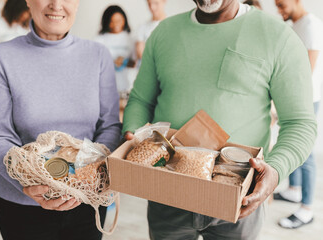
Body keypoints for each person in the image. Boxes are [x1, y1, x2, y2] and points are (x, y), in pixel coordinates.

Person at [122, 0, 317, 239]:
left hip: (238, 198)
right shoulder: (164, 32)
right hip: (168, 192)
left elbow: (300, 123)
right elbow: (141, 100)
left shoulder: (278, 37)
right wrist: (133, 136)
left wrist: (275, 170)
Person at [0, 0, 121, 239]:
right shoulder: (0, 57)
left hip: (87, 200)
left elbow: (110, 127)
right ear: (28, 2)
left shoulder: (98, 55)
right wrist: (29, 184)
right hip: (23, 204)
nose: (56, 4)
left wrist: (85, 178)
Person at [274, 0, 323, 229]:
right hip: (294, 97)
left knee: (306, 152)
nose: (279, 9)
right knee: (290, 144)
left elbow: (306, 70)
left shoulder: (311, 25)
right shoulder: (297, 25)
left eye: (282, 4)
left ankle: (306, 210)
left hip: (306, 99)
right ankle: (293, 190)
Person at [95, 5, 135, 98]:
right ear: (106, 22)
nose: (116, 24)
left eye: (119, 20)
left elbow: (135, 63)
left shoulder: (130, 38)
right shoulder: (99, 39)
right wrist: (111, 62)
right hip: (105, 88)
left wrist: (124, 61)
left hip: (126, 87)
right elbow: (94, 64)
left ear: (124, 20)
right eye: (112, 21)